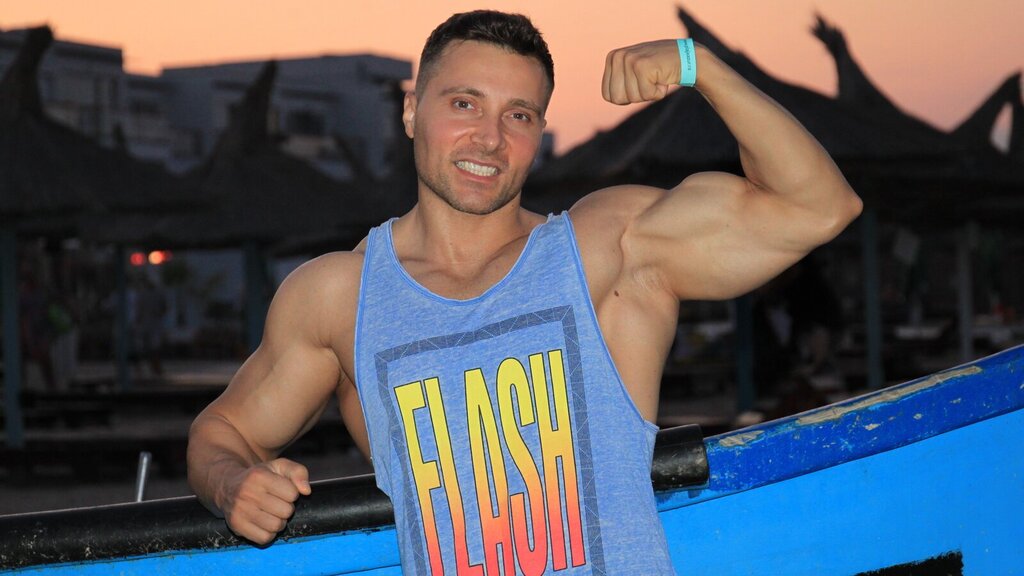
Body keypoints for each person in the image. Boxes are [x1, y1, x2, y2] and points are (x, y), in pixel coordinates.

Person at [187, 10, 862, 573]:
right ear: (411, 110)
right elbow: (222, 433)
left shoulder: (607, 250)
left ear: (539, 131)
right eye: (463, 104)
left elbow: (819, 208)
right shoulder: (340, 296)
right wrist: (234, 485)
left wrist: (700, 66)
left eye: (519, 115)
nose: (489, 138)